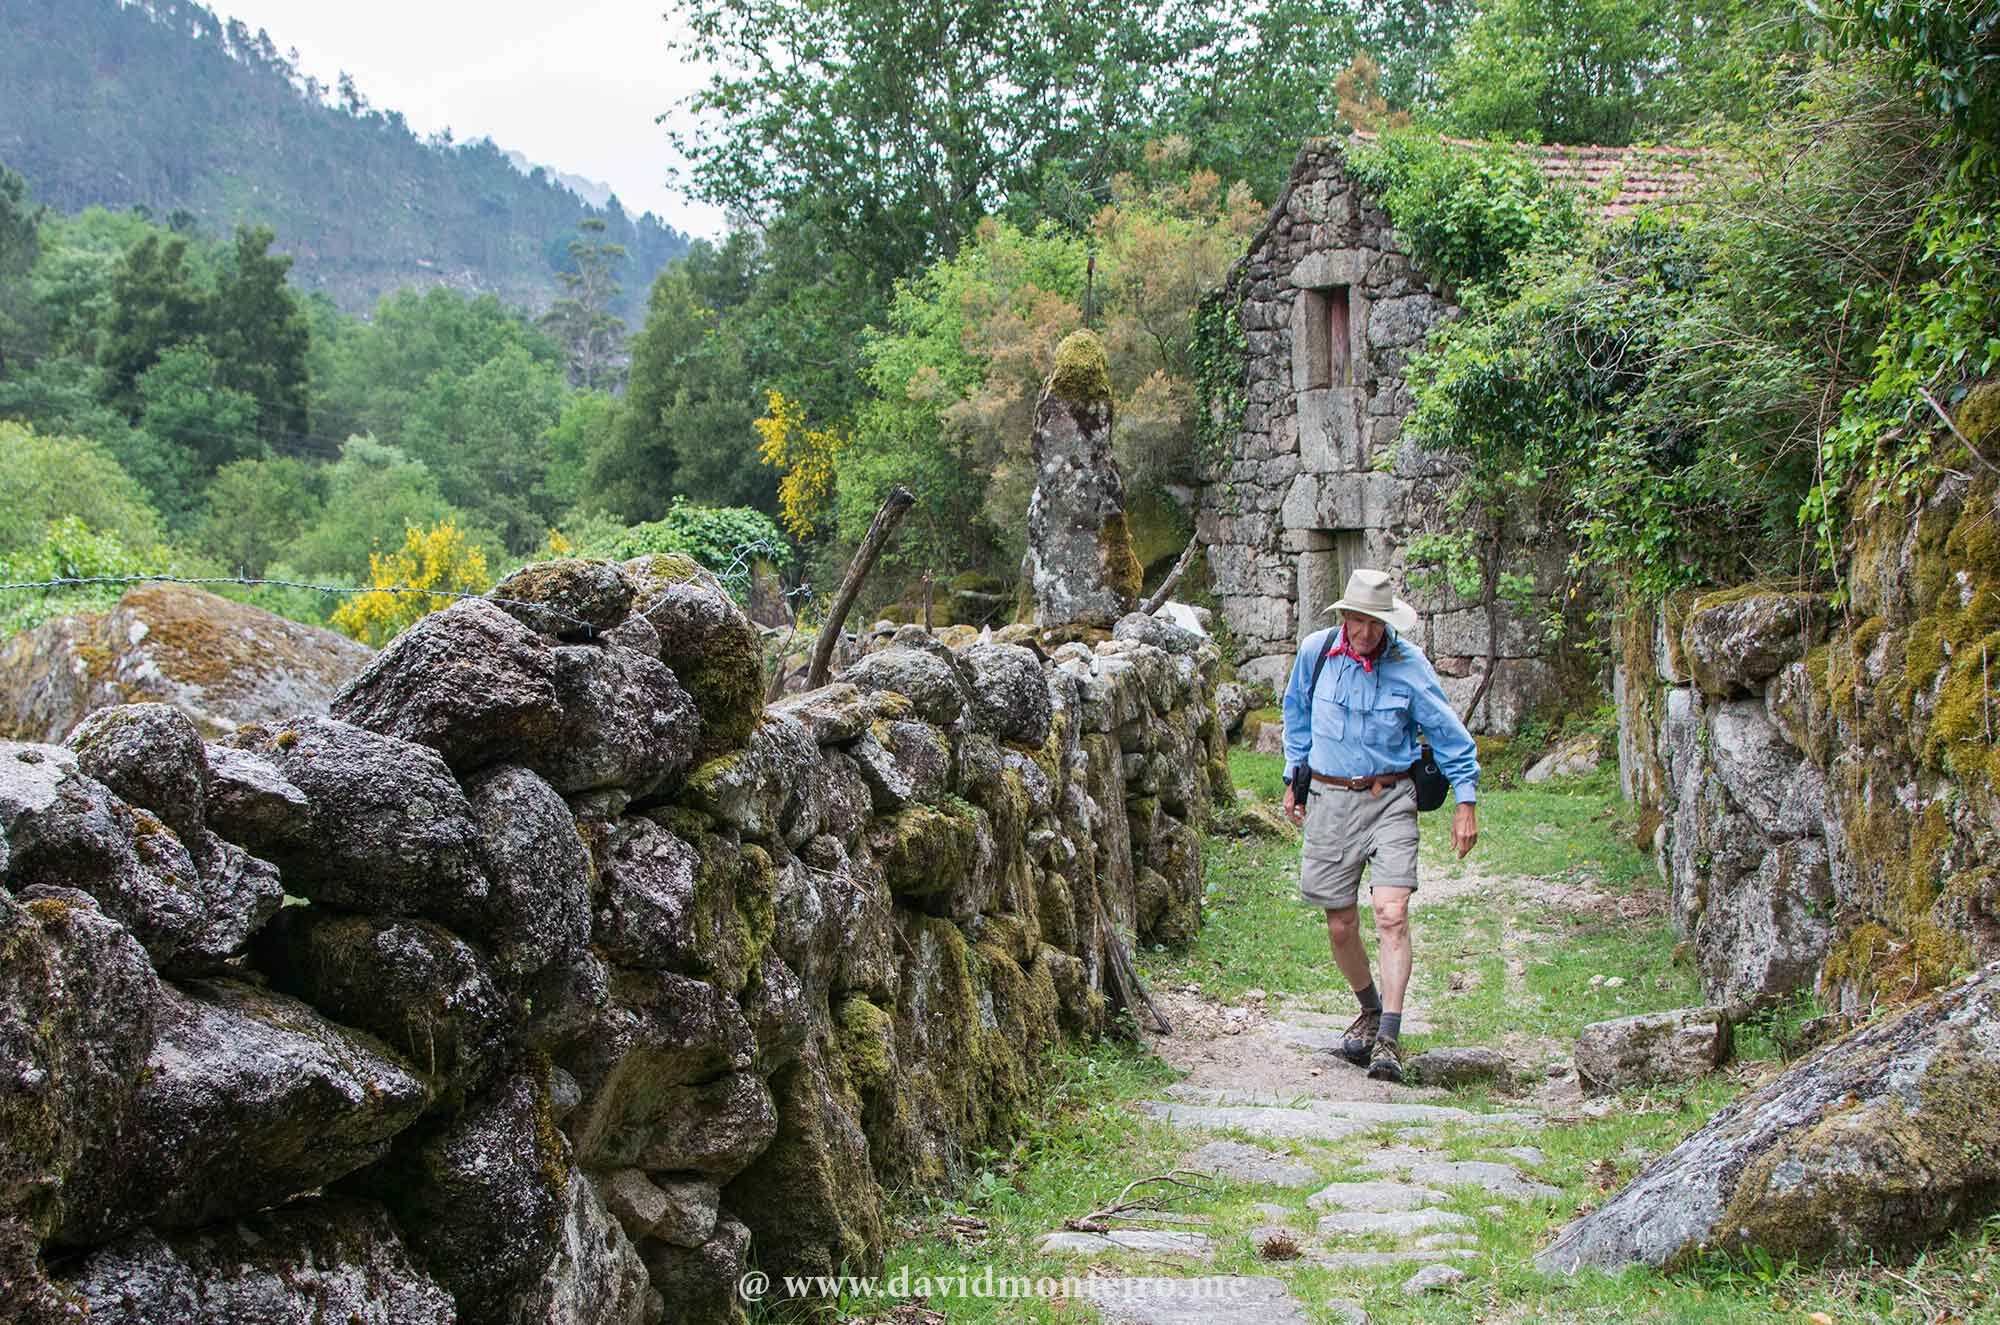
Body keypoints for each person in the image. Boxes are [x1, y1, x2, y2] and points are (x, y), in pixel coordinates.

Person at [1280, 568, 1480, 1083]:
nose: (1363, 632)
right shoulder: (1316, 653)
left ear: (1387, 623)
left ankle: (1388, 1036)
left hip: (1391, 797)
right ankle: (1368, 1008)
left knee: (1390, 913)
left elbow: (1448, 733)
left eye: (1373, 624)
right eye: (1355, 620)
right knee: (1340, 922)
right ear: (1343, 615)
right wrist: (1294, 776)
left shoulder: (1410, 667)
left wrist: (1466, 801)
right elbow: (1297, 712)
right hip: (1328, 799)